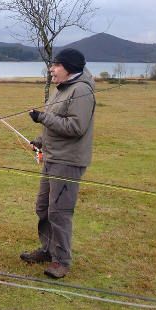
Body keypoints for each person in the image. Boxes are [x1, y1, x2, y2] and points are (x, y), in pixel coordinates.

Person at [21, 48, 95, 279]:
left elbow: (75, 127)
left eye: (56, 65)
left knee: (60, 212)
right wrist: (40, 141)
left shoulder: (81, 90)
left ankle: (61, 261)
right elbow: (54, 125)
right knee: (43, 208)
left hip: (68, 161)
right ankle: (47, 249)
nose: (51, 69)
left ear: (69, 68)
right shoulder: (61, 90)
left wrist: (43, 117)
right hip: (52, 157)